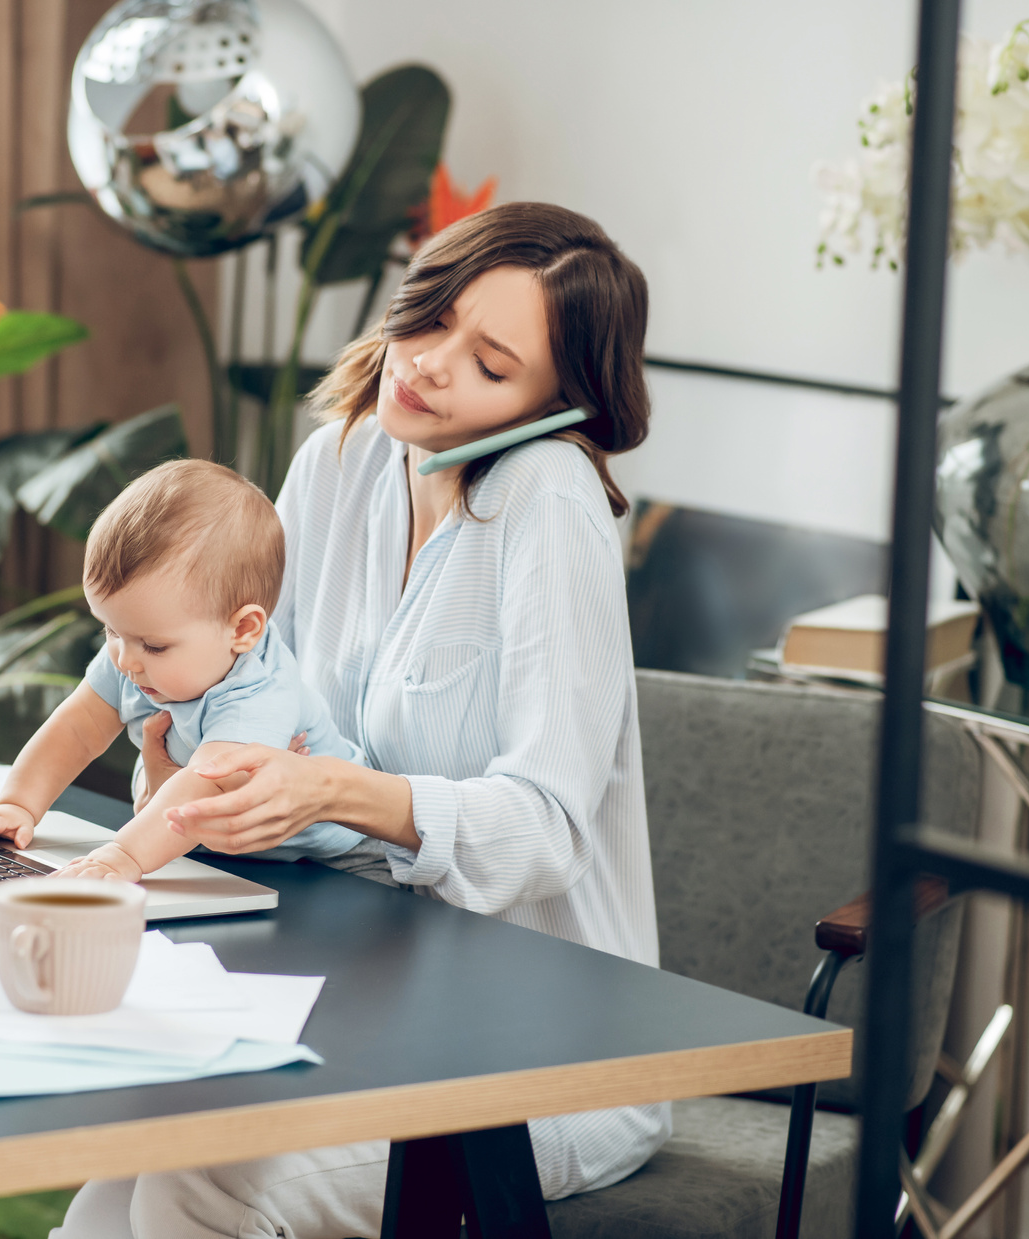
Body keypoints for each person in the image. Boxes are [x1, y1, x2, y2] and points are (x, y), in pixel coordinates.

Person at [50, 202, 665, 1238]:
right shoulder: (341, 460)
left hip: (533, 1052)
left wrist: (334, 791)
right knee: (121, 1173)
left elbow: (545, 830)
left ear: (557, 401)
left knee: (209, 1185)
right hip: (355, 996)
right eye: (430, 319)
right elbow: (244, 680)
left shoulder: (549, 505)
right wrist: (186, 764)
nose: (426, 364)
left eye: (488, 362)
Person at [0, 459, 366, 880]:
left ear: (243, 629)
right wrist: (17, 805)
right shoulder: (137, 647)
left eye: (154, 646)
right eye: (110, 631)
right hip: (220, 853)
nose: (124, 660)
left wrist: (123, 856)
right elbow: (76, 728)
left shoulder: (258, 693)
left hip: (332, 859)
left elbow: (202, 786)